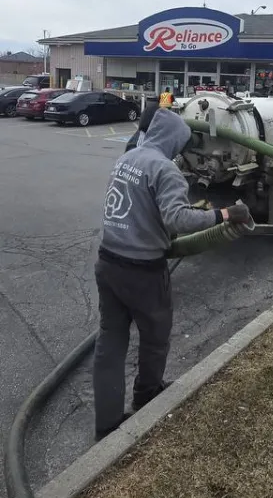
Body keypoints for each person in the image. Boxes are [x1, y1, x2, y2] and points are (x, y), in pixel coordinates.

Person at [93, 109, 252, 440]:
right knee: (154, 338)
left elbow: (142, 209)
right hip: (141, 271)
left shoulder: (129, 157)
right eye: (181, 145)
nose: (182, 153)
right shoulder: (165, 170)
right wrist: (224, 213)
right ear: (174, 141)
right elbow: (179, 220)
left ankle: (106, 422)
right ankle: (147, 395)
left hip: (107, 262)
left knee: (111, 340)